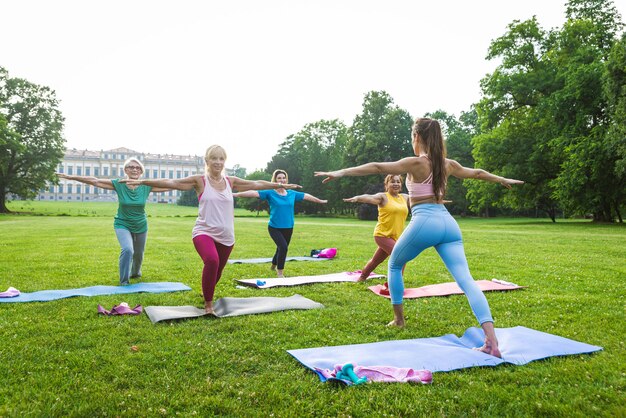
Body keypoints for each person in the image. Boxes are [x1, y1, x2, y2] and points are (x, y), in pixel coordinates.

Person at [315, 117, 523, 357]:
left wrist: (340, 172)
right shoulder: (448, 164)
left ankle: (399, 320)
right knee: (466, 281)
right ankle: (492, 342)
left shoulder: (415, 163)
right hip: (449, 224)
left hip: (425, 221)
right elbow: (476, 172)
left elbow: (377, 167)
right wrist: (502, 179)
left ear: (417, 137)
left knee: (394, 264)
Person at [122, 145, 301, 313]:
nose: (218, 162)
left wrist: (280, 185)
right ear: (206, 161)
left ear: (224, 161)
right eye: (214, 158)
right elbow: (172, 181)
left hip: (226, 235)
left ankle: (206, 290)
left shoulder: (231, 181)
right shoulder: (199, 181)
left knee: (218, 271)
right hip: (203, 232)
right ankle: (208, 304)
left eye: (221, 158)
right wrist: (142, 181)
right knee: (212, 261)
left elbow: (256, 183)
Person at [57, 158, 172, 286]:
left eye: (138, 167)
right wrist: (70, 177)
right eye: (131, 167)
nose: (134, 169)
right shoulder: (119, 183)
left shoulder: (146, 185)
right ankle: (124, 281)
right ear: (125, 170)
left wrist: (191, 184)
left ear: (141, 171)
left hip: (140, 224)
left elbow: (169, 184)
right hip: (122, 223)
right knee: (128, 249)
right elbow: (95, 180)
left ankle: (135, 272)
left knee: (138, 254)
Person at [233, 169, 327, 278]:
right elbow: (253, 193)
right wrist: (235, 195)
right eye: (279, 178)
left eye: (283, 178)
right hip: (274, 227)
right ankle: (280, 272)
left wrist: (320, 201)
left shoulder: (292, 194)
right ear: (275, 180)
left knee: (280, 247)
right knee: (283, 247)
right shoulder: (270, 193)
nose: (282, 180)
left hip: (288, 227)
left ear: (286, 180)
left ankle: (273, 265)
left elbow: (306, 196)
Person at [343, 174, 409, 282]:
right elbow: (370, 198)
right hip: (382, 235)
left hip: (396, 236)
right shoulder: (383, 197)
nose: (396, 184)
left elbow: (421, 201)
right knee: (401, 256)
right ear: (387, 184)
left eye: (398, 182)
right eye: (392, 181)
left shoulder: (405, 197)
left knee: (376, 260)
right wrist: (357, 198)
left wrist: (437, 201)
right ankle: (397, 283)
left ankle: (362, 277)